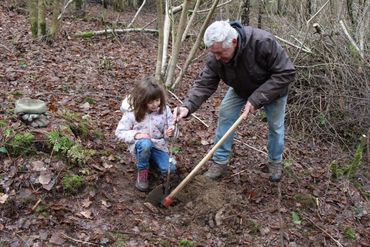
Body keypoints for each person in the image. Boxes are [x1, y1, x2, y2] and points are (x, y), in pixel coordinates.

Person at [174, 20, 295, 182]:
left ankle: (275, 162)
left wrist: (256, 99)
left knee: (276, 127)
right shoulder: (216, 56)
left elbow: (286, 73)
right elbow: (204, 84)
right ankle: (220, 162)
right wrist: (187, 107)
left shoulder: (262, 42)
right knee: (225, 114)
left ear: (234, 41)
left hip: (273, 90)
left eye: (220, 53)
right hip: (241, 88)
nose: (217, 57)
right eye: (214, 53)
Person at [115, 76, 176, 191]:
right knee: (145, 144)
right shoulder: (132, 112)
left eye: (157, 100)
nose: (154, 105)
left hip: (159, 145)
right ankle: (142, 170)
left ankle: (151, 160)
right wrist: (137, 135)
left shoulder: (165, 110)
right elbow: (119, 132)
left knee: (170, 169)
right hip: (141, 144)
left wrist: (170, 132)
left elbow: (170, 129)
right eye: (150, 102)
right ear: (142, 100)